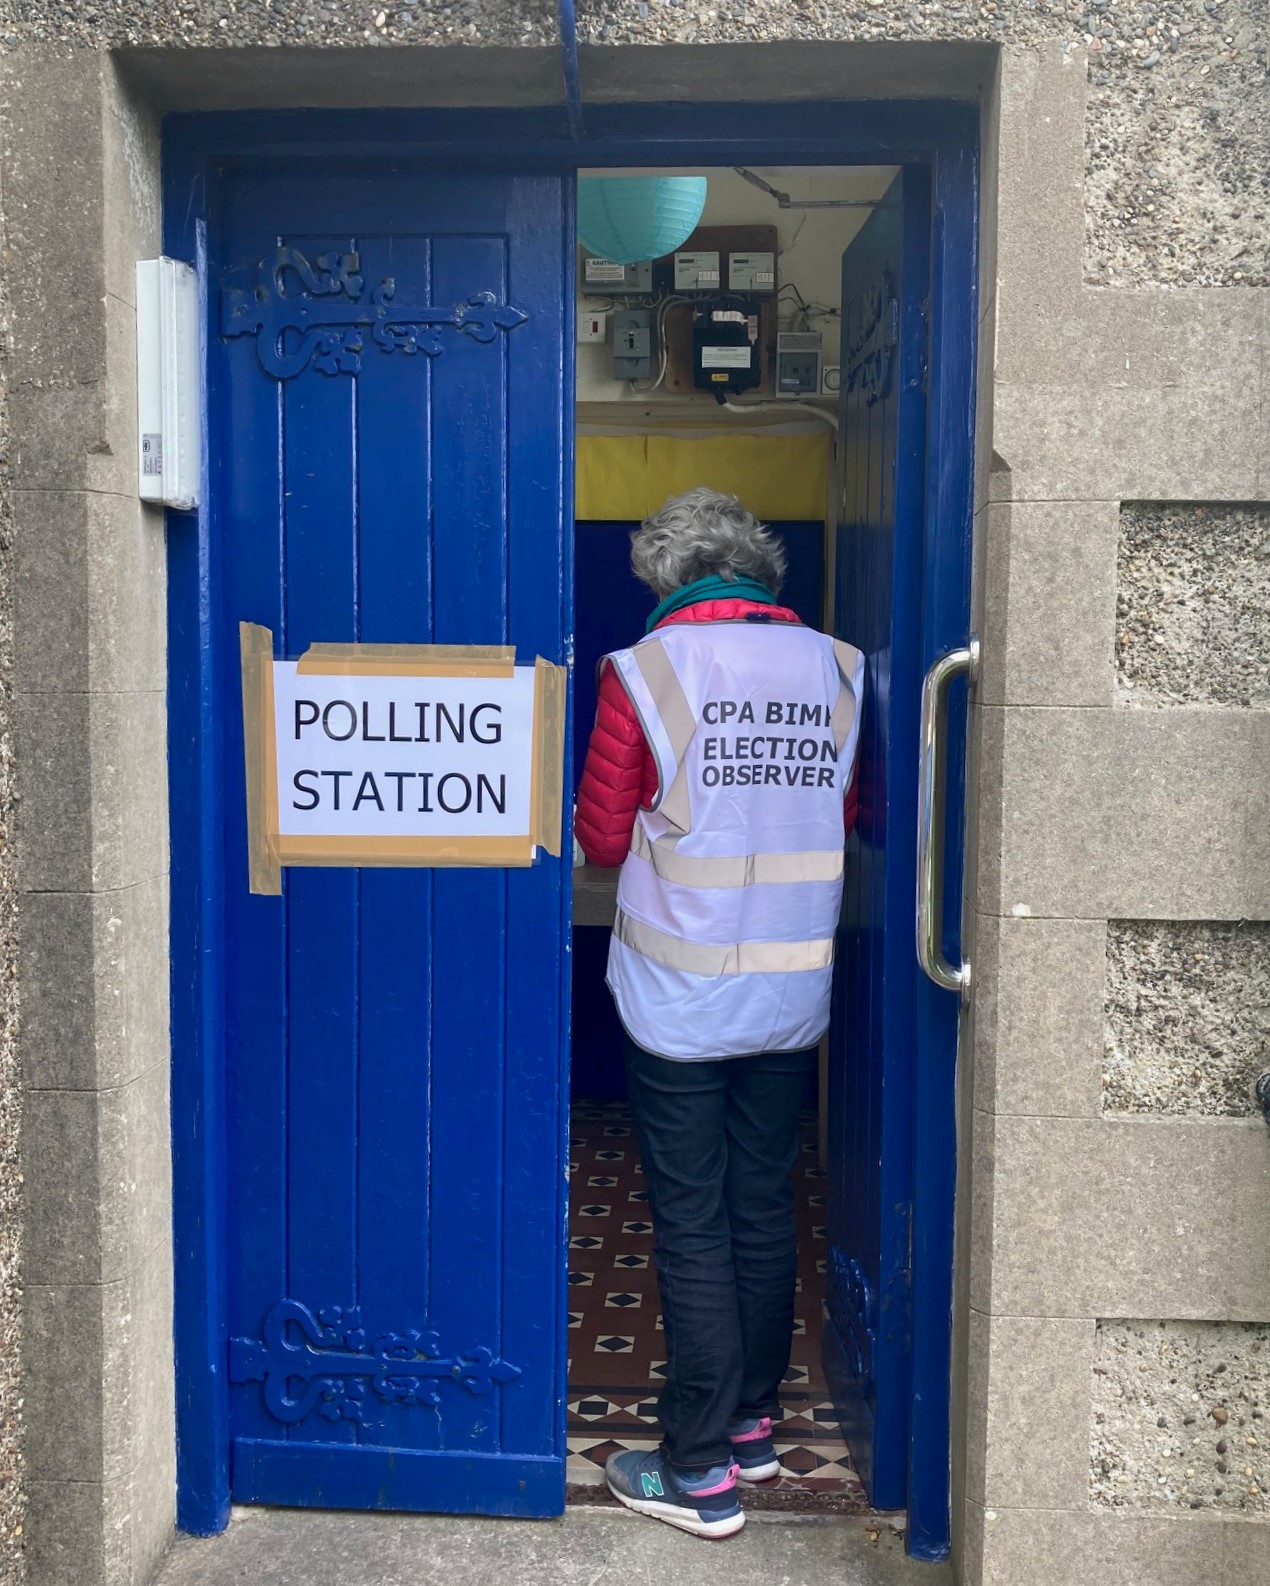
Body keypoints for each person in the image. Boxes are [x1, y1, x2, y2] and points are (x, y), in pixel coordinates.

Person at [574, 487, 864, 1539]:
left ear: (665, 574)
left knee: (691, 1220)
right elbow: (851, 809)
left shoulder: (648, 672)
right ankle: (746, 1418)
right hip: (788, 989)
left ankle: (694, 1468)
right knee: (762, 1204)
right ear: (760, 572)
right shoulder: (836, 668)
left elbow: (603, 838)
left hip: (676, 996)